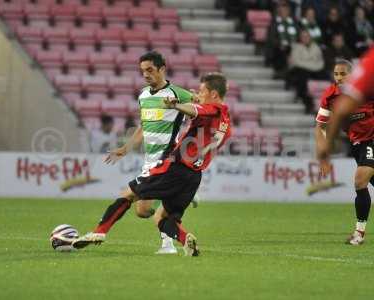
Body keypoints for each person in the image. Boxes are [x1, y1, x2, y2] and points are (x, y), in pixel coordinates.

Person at [71, 73, 232, 256]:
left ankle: (99, 232)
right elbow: (207, 123)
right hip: (194, 177)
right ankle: (185, 239)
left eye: (202, 91)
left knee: (129, 194)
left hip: (175, 167)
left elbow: (197, 111)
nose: (199, 93)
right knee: (163, 218)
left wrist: (176, 105)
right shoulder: (226, 121)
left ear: (213, 94)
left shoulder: (212, 108)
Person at [102, 51, 197, 254]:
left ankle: (168, 243)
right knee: (142, 211)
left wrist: (196, 97)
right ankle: (173, 201)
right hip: (150, 160)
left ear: (162, 69)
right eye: (143, 71)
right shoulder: (144, 96)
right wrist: (125, 148)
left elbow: (200, 107)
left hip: (169, 159)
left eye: (150, 70)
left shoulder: (177, 93)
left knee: (132, 198)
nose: (145, 74)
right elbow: (143, 127)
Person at [317, 47, 374, 245]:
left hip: (372, 138)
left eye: (343, 74)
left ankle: (359, 234)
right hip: (356, 143)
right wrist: (323, 150)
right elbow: (321, 125)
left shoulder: (365, 89)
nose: (339, 77)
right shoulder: (330, 96)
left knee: (360, 181)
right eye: (336, 74)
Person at [286, 29, 326, 113]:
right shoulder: (296, 47)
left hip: (315, 70)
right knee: (302, 77)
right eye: (303, 37)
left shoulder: (316, 48)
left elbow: (320, 62)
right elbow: (296, 62)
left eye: (307, 36)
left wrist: (306, 63)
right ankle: (308, 104)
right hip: (301, 71)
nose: (305, 38)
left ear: (310, 37)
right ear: (300, 38)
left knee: (326, 75)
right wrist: (311, 64)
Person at [265, 1, 298, 77]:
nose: (284, 12)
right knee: (281, 51)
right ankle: (281, 72)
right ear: (279, 12)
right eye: (282, 11)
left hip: (292, 46)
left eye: (286, 10)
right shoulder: (275, 23)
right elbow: (271, 38)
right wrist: (280, 44)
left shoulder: (294, 23)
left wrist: (292, 44)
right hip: (279, 47)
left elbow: (298, 35)